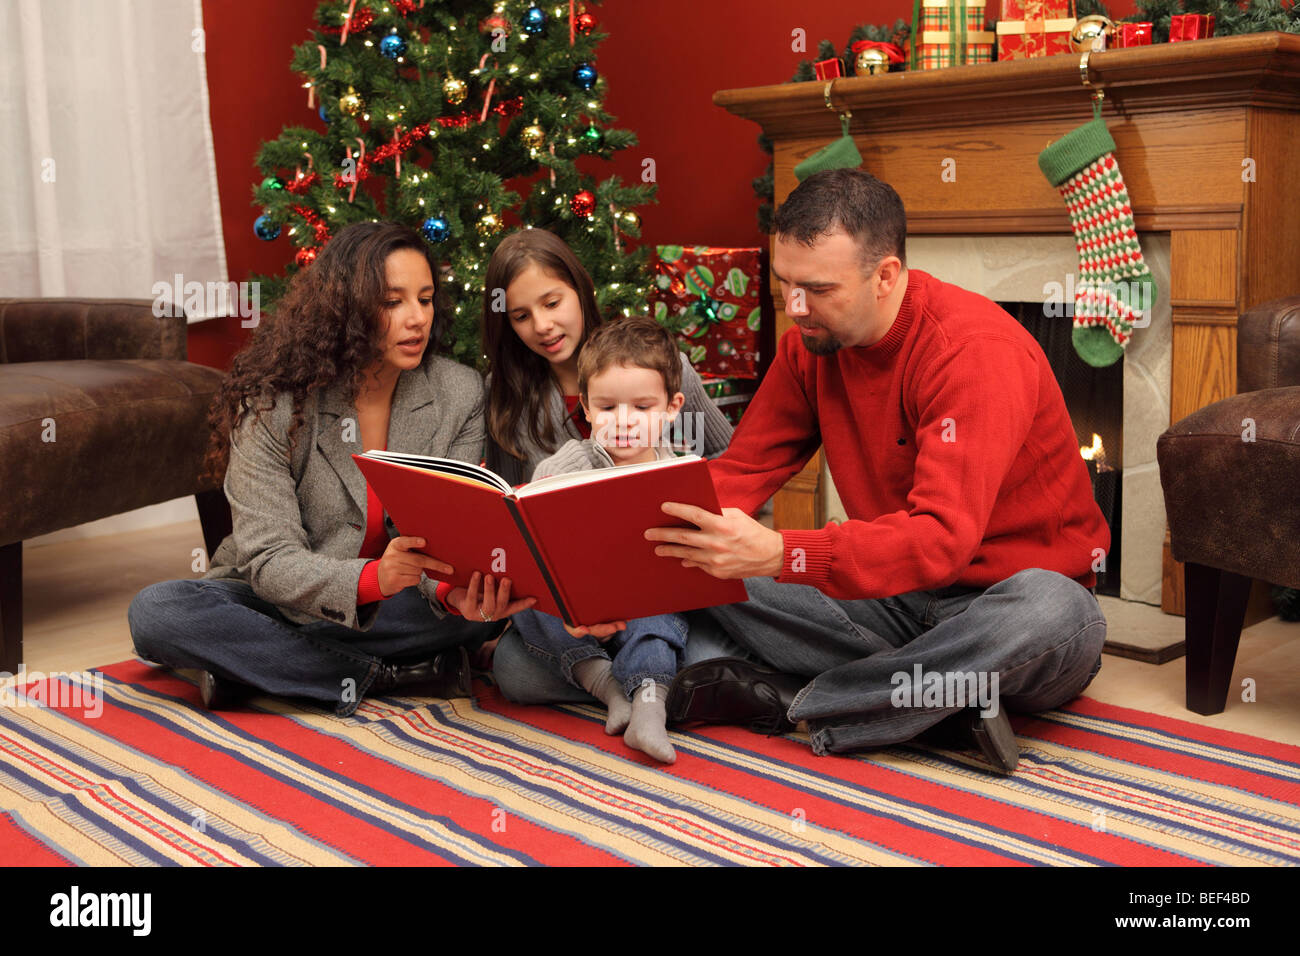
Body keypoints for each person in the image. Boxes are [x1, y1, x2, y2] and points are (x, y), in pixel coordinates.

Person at [644, 168, 1111, 774]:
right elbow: (742, 469)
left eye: (815, 288)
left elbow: (942, 541)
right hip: (894, 597)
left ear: (885, 274)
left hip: (1005, 605)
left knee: (1056, 610)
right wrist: (628, 537)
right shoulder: (810, 345)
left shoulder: (972, 354)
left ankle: (805, 702)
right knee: (700, 559)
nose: (794, 308)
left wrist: (782, 553)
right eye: (785, 284)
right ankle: (937, 700)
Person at [128, 221, 534, 716]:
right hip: (284, 600)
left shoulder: (460, 391)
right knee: (157, 613)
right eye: (392, 302)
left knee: (473, 616)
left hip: (400, 605)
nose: (416, 319)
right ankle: (390, 675)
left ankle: (260, 671)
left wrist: (454, 597)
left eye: (425, 299)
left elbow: (447, 549)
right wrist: (369, 582)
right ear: (346, 307)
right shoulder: (272, 401)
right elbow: (270, 560)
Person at [507, 317, 693, 764]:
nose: (623, 423)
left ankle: (648, 705)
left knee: (666, 610)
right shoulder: (562, 467)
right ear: (586, 408)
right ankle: (608, 686)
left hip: (645, 609)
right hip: (575, 612)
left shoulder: (683, 470)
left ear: (672, 407)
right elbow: (532, 549)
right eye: (607, 408)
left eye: (642, 408)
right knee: (532, 602)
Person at [480, 227, 733, 486]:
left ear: (580, 290)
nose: (542, 325)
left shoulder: (667, 368)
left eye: (552, 303)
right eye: (521, 316)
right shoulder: (507, 390)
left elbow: (727, 458)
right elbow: (506, 494)